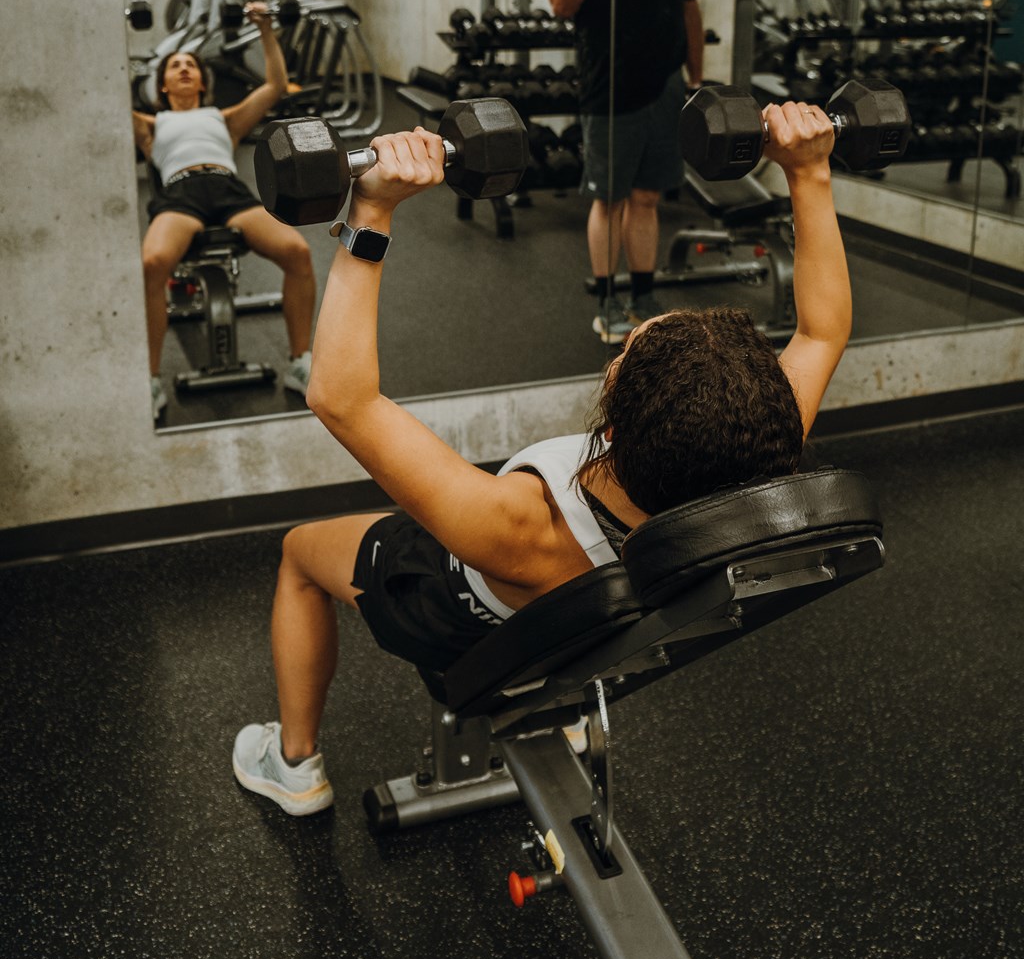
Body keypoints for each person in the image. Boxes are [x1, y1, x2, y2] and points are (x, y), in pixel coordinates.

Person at [231, 98, 850, 816]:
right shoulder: (755, 444)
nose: (625, 343)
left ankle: (294, 764)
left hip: (451, 607)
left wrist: (371, 211)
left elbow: (342, 399)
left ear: (613, 429)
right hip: (589, 618)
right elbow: (822, 331)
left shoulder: (519, 523)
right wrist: (809, 173)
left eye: (625, 353)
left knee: (302, 555)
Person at [547, 0, 705, 346]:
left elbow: (690, 11)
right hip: (609, 89)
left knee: (647, 197)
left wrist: (696, 80)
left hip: (664, 86)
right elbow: (561, 4)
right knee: (610, 198)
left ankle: (643, 295)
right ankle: (606, 299)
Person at [132, 3, 315, 419]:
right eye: (174, 66)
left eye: (190, 66)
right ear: (162, 85)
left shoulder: (225, 118)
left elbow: (275, 85)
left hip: (228, 188)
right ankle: (150, 378)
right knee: (153, 262)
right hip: (181, 192)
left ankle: (300, 361)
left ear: (201, 80)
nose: (182, 69)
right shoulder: (150, 124)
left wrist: (266, 30)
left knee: (298, 253)